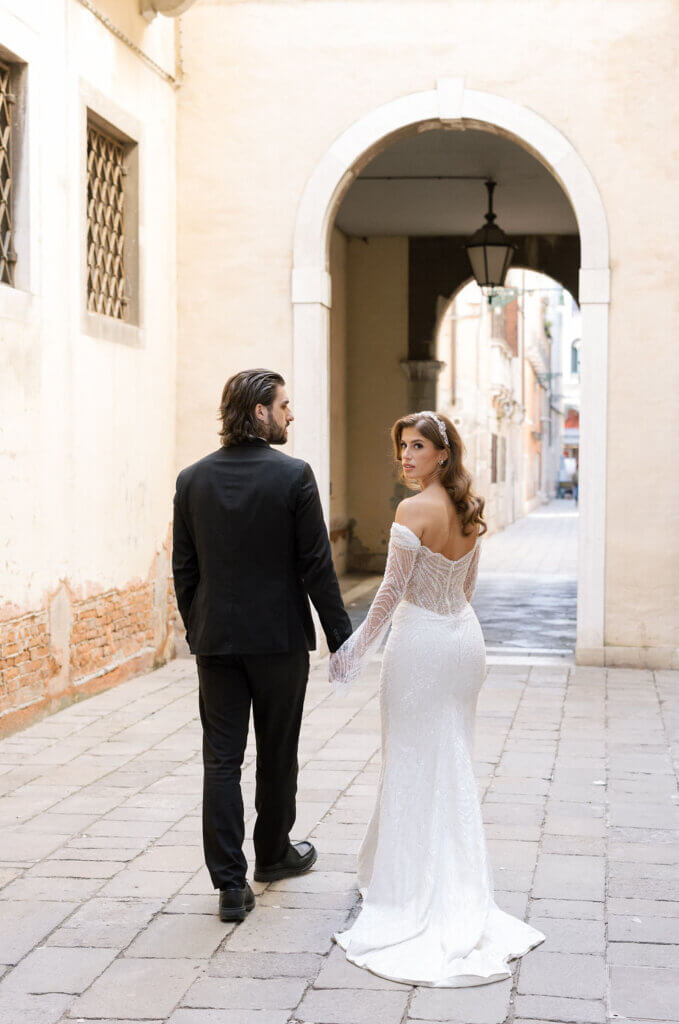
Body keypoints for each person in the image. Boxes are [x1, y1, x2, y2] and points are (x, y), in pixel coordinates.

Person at [329, 410, 545, 986]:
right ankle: (451, 882)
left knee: (409, 759)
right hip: (462, 640)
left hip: (421, 643)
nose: (406, 456)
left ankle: (409, 892)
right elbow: (467, 589)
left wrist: (353, 650)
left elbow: (390, 594)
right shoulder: (469, 511)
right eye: (402, 445)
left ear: (442, 454)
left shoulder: (412, 510)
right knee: (450, 758)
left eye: (418, 446)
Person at [173, 369, 352, 923]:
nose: (291, 414)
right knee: (277, 754)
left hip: (217, 644)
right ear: (258, 412)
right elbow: (316, 567)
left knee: (221, 762)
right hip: (277, 643)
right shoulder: (294, 476)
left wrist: (198, 625)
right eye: (284, 405)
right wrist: (343, 640)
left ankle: (229, 884)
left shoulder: (191, 479)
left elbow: (185, 569)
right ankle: (273, 855)